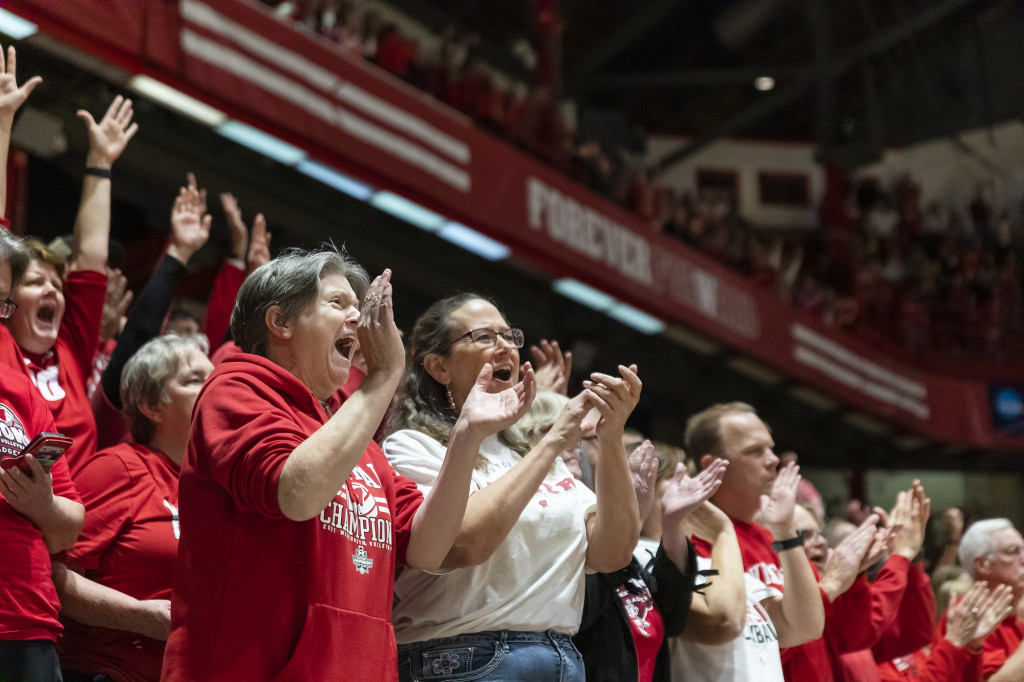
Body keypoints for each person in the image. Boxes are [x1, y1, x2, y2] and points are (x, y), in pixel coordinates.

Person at [161, 248, 532, 681]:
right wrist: (381, 378)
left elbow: (430, 549)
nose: (358, 319)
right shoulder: (235, 389)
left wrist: (467, 434)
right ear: (280, 322)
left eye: (359, 307)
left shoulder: (354, 438)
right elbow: (296, 494)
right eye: (338, 304)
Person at [383, 292, 641, 682]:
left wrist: (611, 436)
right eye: (484, 337)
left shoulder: (533, 455)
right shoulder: (412, 445)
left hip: (562, 657)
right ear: (438, 366)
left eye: (509, 336)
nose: (505, 347)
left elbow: (612, 553)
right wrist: (553, 441)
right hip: (460, 657)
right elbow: (465, 546)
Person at [53, 334, 214, 682]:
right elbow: (53, 575)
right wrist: (137, 614)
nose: (213, 390)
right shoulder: (118, 469)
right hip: (105, 670)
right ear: (151, 405)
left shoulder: (211, 487)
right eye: (194, 380)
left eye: (214, 378)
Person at [0, 47, 84, 678]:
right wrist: (3, 126)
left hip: (29, 619)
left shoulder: (29, 386)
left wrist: (42, 505)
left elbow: (69, 524)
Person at [0, 87, 137, 475]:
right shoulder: (2, 344)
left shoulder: (70, 349)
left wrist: (100, 161)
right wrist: (3, 121)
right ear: (5, 301)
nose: (51, 291)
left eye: (56, 286)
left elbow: (91, 258)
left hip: (66, 528)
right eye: (35, 283)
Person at [683, 402, 826, 680]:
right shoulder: (694, 539)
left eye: (770, 448)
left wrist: (785, 530)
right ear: (714, 466)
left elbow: (810, 626)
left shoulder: (773, 537)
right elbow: (750, 641)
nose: (772, 459)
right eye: (754, 451)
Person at [949, 519, 1024, 680]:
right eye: (1012, 551)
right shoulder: (966, 615)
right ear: (983, 564)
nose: (1023, 558)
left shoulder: (1015, 611)